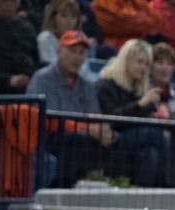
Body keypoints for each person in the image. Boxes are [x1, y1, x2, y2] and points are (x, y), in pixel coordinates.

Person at [26, 30, 115, 187]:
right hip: (46, 138)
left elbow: (95, 116)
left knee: (111, 142)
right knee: (78, 141)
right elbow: (46, 119)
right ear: (59, 51)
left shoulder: (87, 86)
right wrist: (87, 128)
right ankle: (64, 190)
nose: (77, 57)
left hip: (79, 138)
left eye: (81, 53)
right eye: (72, 51)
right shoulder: (42, 78)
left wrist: (102, 130)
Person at [96, 38, 172, 187]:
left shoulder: (139, 90)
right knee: (154, 133)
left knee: (150, 154)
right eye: (139, 62)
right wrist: (140, 104)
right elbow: (112, 119)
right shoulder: (106, 85)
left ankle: (147, 198)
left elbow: (149, 118)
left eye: (147, 64)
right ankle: (172, 188)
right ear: (125, 60)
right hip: (112, 143)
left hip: (135, 146)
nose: (143, 68)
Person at [0, 0, 39, 94]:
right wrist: (8, 81)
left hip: (30, 88)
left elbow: (36, 60)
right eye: (4, 1)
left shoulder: (26, 28)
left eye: (13, 1)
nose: (9, 4)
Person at [149, 42, 175, 119]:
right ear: (150, 65)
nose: (165, 68)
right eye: (160, 63)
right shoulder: (140, 91)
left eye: (169, 64)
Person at [37, 0, 83, 65]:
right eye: (64, 16)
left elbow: (84, 71)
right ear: (53, 18)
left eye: (73, 16)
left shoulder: (79, 39)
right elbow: (52, 68)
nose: (69, 21)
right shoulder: (45, 38)